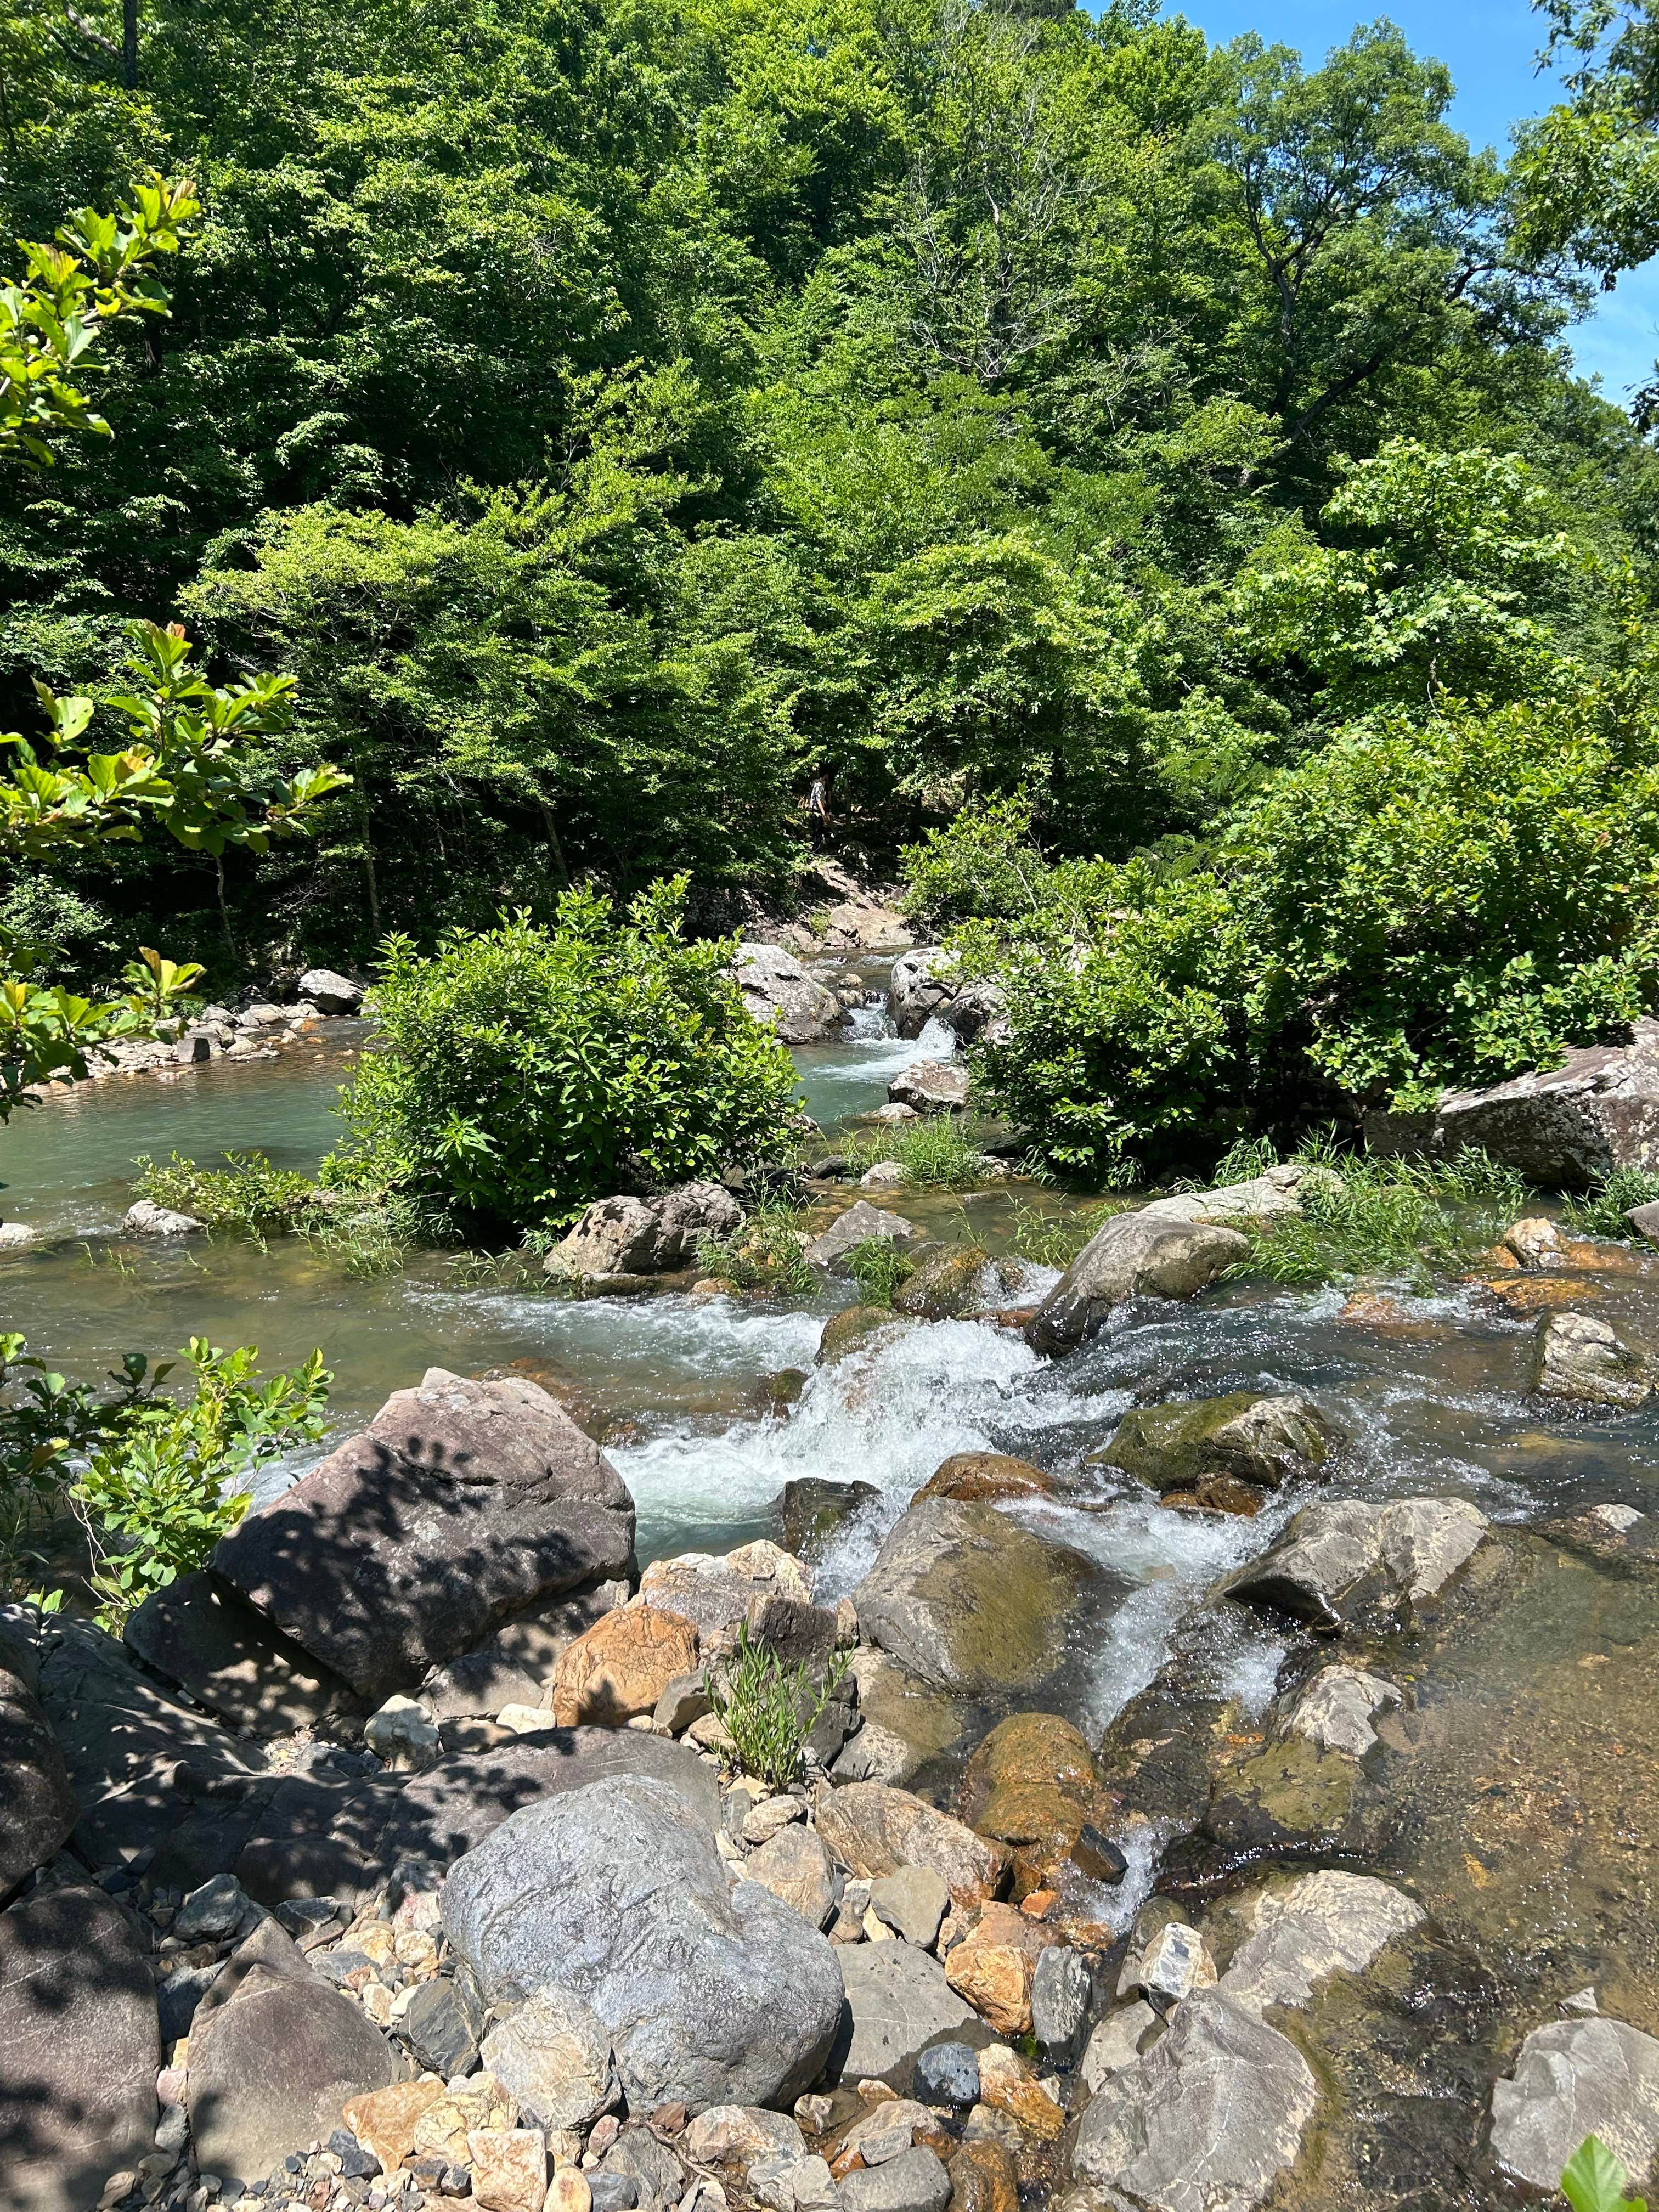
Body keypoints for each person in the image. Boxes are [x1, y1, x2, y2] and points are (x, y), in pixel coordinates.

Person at [805, 770, 832, 851]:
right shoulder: (818, 785)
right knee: (817, 831)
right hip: (817, 811)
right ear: (826, 775)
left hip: (819, 810)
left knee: (820, 830)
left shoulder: (822, 784)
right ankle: (815, 849)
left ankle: (818, 848)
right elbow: (818, 800)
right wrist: (823, 813)